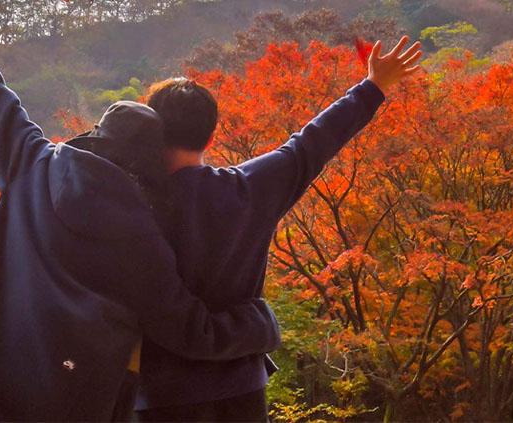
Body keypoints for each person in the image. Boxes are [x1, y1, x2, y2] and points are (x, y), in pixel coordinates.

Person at [0, 12, 283, 421]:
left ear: (95, 135)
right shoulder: (140, 231)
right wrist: (258, 326)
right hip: (73, 395)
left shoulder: (34, 159)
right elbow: (187, 328)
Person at [135, 35, 424, 422]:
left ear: (153, 132)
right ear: (210, 135)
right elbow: (311, 143)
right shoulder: (247, 190)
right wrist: (373, 86)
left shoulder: (129, 203)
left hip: (162, 395)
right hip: (241, 385)